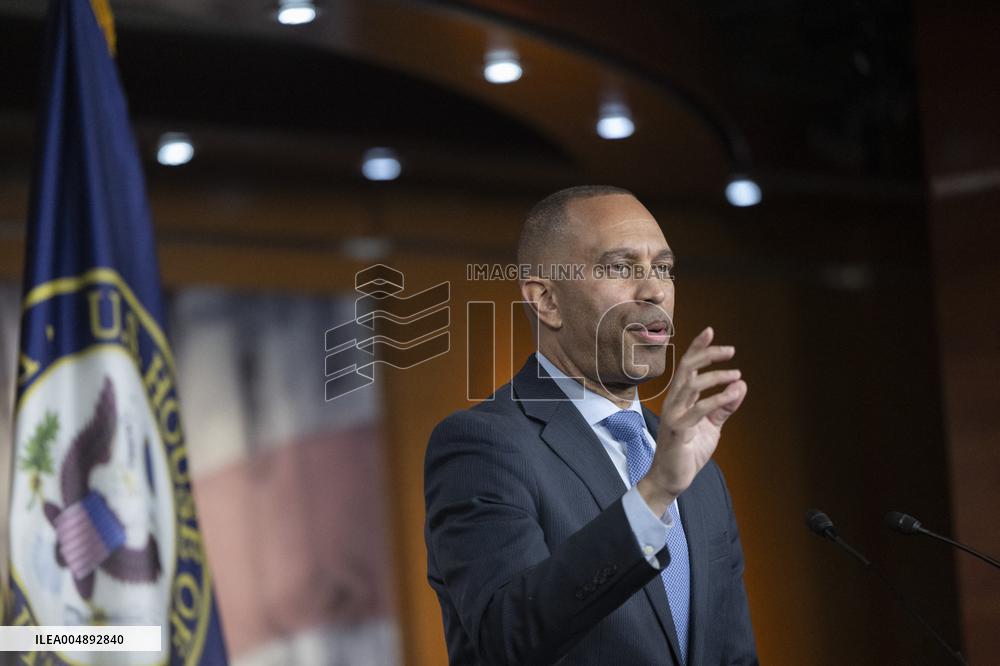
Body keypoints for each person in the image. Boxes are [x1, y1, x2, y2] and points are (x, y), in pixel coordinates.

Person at [424, 185, 758, 665]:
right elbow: (507, 636)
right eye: (621, 268)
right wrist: (655, 495)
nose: (655, 290)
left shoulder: (696, 472)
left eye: (663, 268)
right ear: (546, 300)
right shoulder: (483, 446)